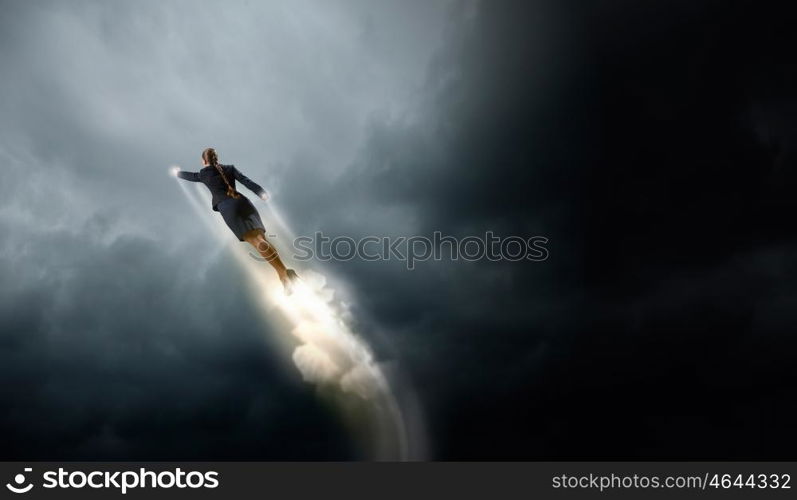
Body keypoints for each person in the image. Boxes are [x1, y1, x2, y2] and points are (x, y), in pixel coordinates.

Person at [174, 148, 299, 293]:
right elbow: (247, 181)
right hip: (243, 202)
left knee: (257, 242)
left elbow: (190, 176)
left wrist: (177, 172)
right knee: (261, 239)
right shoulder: (230, 168)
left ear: (204, 161)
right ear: (217, 159)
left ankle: (283, 275)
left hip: (228, 207)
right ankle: (285, 272)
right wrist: (261, 192)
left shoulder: (203, 174)